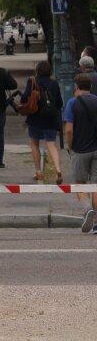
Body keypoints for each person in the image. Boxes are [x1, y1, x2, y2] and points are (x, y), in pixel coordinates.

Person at [63, 72, 97, 231]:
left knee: (79, 183)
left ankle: (87, 208)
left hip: (80, 149)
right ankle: (96, 221)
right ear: (91, 86)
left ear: (76, 86)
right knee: (95, 185)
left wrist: (70, 146)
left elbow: (69, 130)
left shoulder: (72, 103)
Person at [21, 57, 63, 181]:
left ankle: (38, 171)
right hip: (51, 119)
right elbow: (59, 103)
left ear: (37, 71)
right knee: (51, 144)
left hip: (35, 118)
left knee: (34, 144)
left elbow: (24, 98)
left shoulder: (33, 82)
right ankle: (58, 170)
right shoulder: (54, 83)